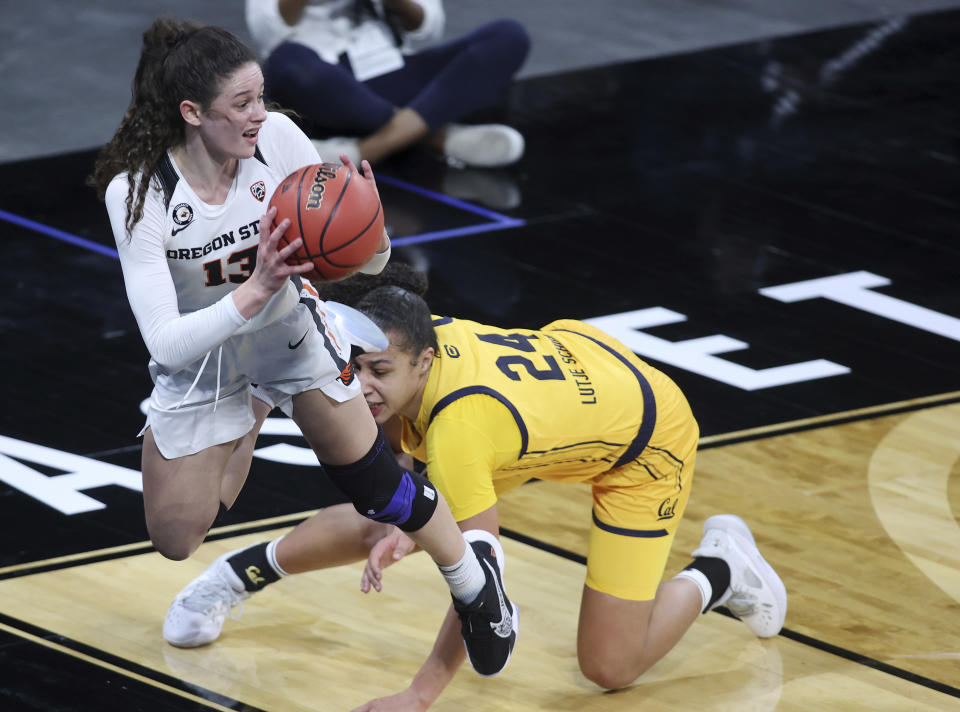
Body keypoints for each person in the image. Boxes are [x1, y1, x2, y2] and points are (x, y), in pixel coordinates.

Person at [87, 17, 517, 678]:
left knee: (377, 483)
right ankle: (253, 405)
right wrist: (251, 291)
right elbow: (166, 343)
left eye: (261, 96)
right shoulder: (140, 191)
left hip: (288, 328)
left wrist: (370, 230)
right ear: (192, 113)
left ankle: (475, 586)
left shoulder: (279, 138)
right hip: (202, 355)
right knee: (177, 538)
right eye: (243, 104)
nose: (262, 114)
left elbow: (366, 263)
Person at [163, 264, 787, 709]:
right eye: (354, 369)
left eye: (379, 373)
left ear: (423, 363)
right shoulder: (407, 330)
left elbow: (481, 589)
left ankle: (723, 571)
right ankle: (232, 578)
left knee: (609, 666)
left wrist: (421, 694)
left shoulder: (458, 433)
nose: (363, 388)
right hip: (563, 382)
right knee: (390, 511)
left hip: (643, 441)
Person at [244, 0, 530, 168]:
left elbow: (427, 28)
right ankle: (441, 138)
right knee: (285, 61)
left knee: (508, 36)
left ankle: (362, 151)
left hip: (390, 68)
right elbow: (268, 33)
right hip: (322, 78)